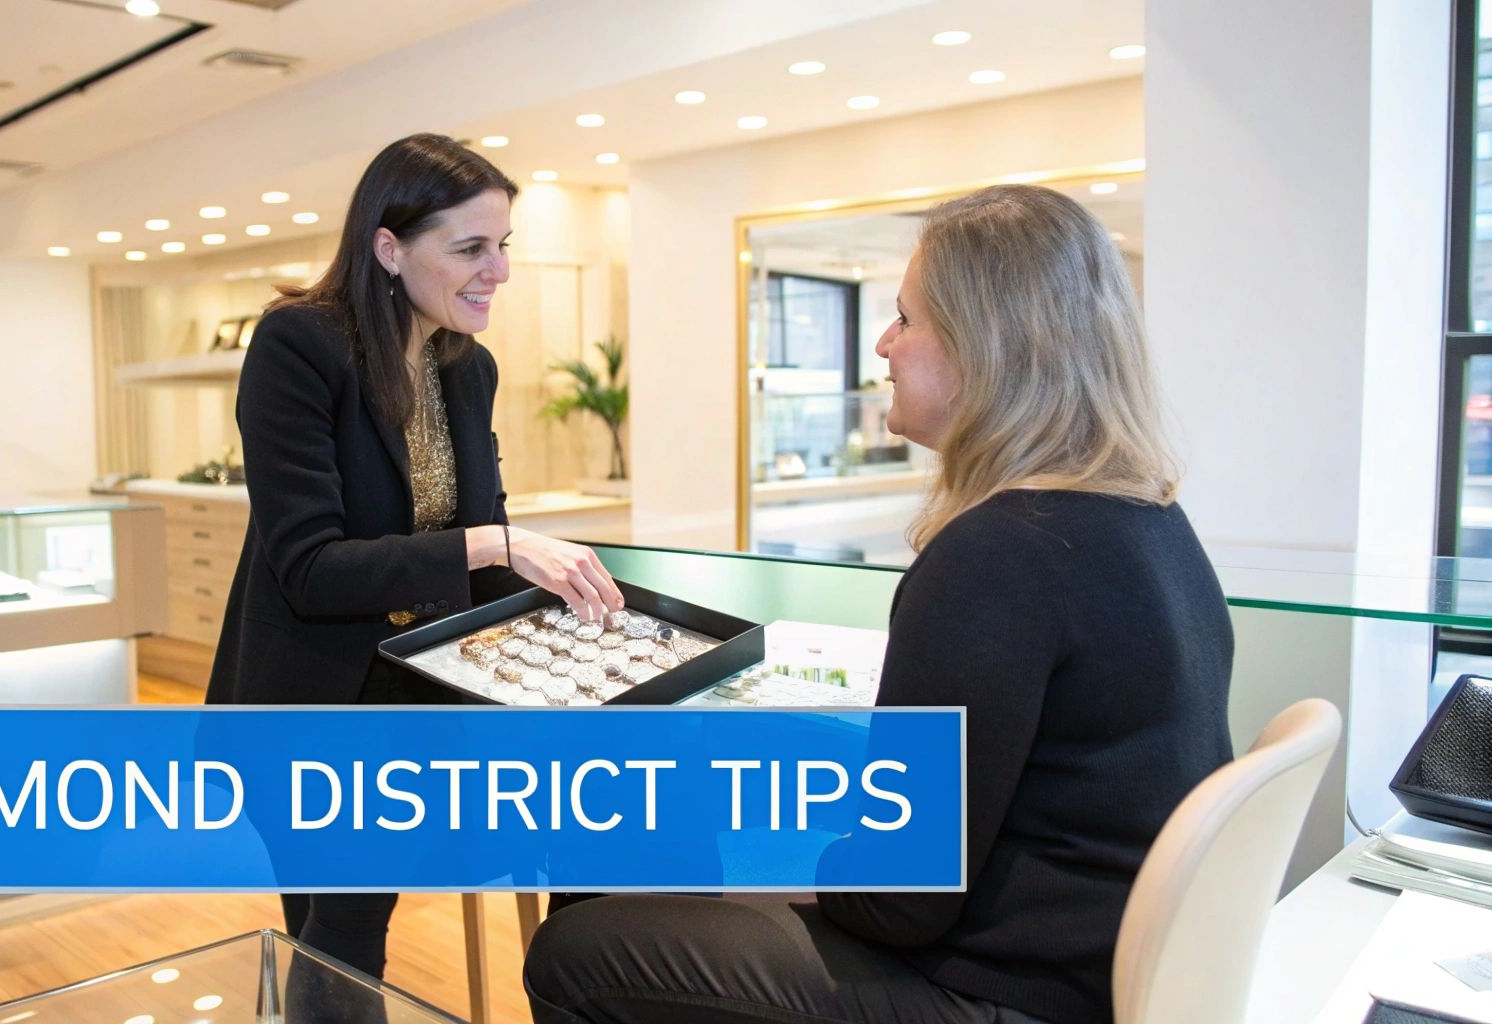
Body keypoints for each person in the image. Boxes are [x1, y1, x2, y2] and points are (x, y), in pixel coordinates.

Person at [523, 185, 1236, 1024]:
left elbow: (900, 899)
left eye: (905, 318)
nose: (883, 345)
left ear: (988, 347)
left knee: (573, 945)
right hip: (1094, 962)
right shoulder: (1147, 516)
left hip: (997, 990)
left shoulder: (997, 555)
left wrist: (785, 856)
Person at [204, 133, 625, 993]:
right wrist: (500, 545)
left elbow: (485, 548)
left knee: (587, 830)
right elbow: (312, 569)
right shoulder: (299, 345)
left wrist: (605, 623)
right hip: (309, 701)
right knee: (337, 928)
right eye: (470, 248)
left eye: (502, 245)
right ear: (388, 248)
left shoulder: (467, 368)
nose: (497, 270)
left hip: (424, 690)